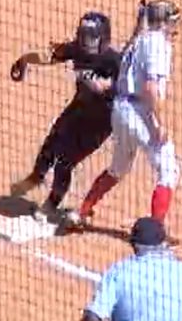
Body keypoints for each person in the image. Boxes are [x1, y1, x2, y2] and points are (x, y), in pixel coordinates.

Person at [64, 0, 182, 230]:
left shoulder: (140, 39)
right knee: (168, 171)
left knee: (118, 167)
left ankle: (81, 212)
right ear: (165, 22)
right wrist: (158, 125)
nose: (177, 27)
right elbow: (150, 88)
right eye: (174, 22)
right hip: (140, 112)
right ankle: (156, 231)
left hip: (120, 111)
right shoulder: (158, 44)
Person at [8, 11, 122, 221]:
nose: (86, 41)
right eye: (84, 36)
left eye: (91, 37)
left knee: (65, 161)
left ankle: (51, 204)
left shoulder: (114, 61)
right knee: (52, 141)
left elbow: (129, 89)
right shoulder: (77, 49)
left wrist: (110, 87)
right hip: (78, 108)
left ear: (103, 38)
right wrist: (24, 60)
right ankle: (36, 177)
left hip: (100, 123)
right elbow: (49, 56)